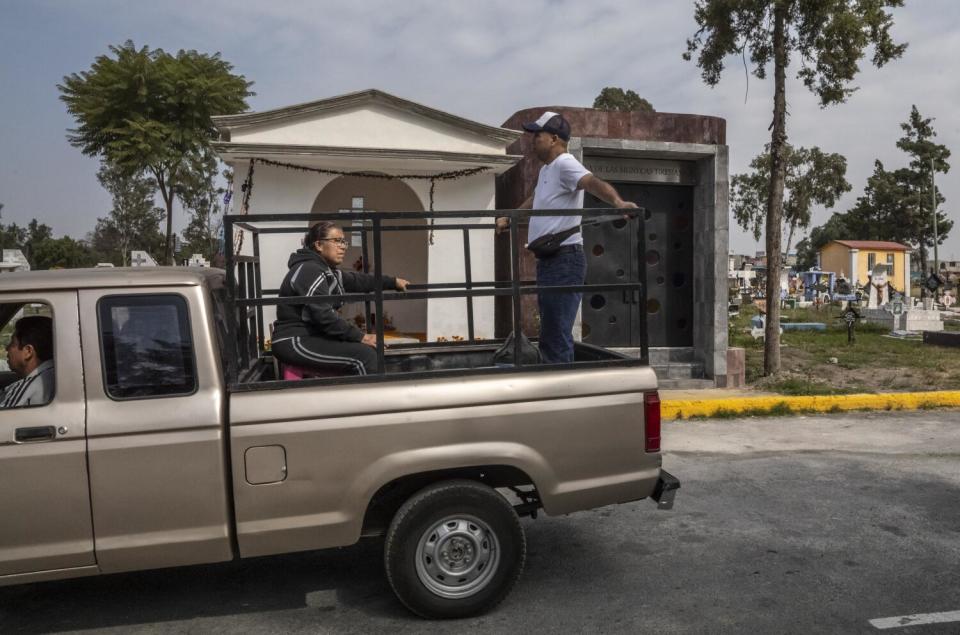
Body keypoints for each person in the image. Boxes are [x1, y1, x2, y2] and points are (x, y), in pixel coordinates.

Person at [496, 111, 638, 363]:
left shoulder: (565, 163)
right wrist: (512, 217)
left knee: (557, 334)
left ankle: (561, 388)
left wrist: (618, 201)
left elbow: (591, 182)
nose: (533, 140)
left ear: (554, 138)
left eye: (537, 135)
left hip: (564, 259)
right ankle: (556, 385)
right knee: (551, 332)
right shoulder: (546, 170)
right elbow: (535, 199)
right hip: (550, 260)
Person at [272, 221, 410, 376]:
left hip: (312, 336)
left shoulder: (326, 271)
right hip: (295, 340)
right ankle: (371, 400)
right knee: (365, 357)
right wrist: (361, 336)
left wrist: (393, 282)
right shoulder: (309, 269)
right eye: (337, 241)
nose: (343, 246)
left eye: (344, 242)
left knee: (367, 351)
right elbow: (323, 315)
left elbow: (359, 281)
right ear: (318, 245)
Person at [1, 315, 55, 408]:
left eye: (12, 344)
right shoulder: (53, 374)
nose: (7, 348)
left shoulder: (28, 388)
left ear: (28, 351)